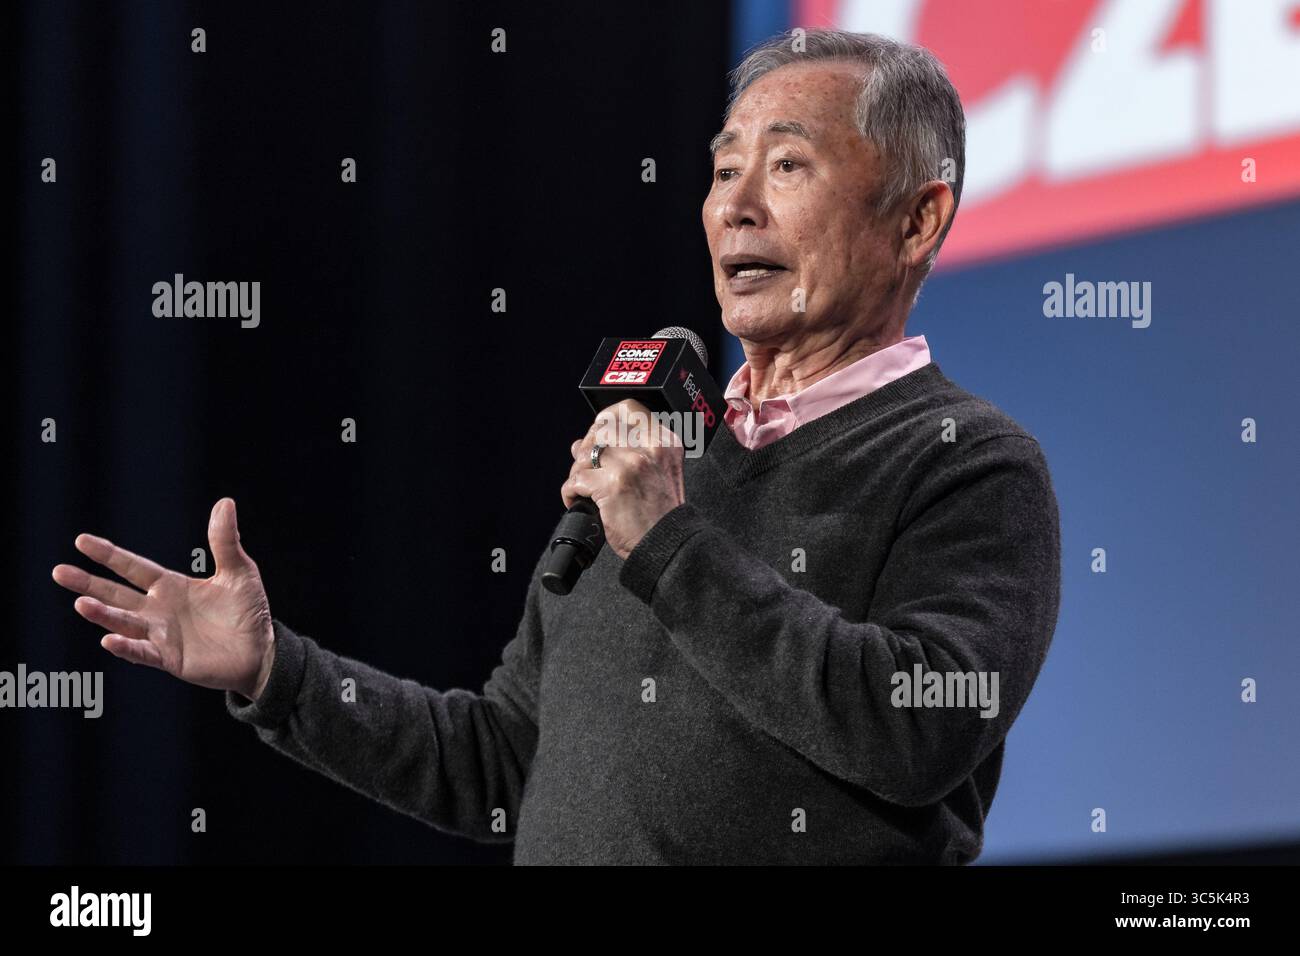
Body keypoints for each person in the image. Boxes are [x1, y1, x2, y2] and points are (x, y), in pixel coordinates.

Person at [51, 29, 1060, 864]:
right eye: (722, 170)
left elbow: (913, 726)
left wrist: (668, 545)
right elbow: (500, 759)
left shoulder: (965, 461)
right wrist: (279, 674)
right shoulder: (660, 454)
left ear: (918, 218)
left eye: (788, 165)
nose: (735, 205)